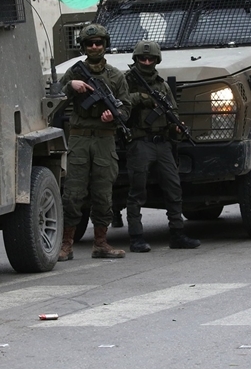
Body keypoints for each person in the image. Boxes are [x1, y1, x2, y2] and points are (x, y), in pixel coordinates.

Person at [57, 23, 130, 261]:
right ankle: (66, 244)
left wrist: (114, 116)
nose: (95, 47)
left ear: (105, 45)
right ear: (84, 47)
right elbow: (55, 99)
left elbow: (126, 108)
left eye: (99, 43)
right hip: (79, 138)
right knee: (73, 193)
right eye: (90, 44)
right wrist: (70, 86)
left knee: (103, 193)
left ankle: (100, 243)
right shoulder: (75, 72)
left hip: (104, 139)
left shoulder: (116, 76)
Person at [124, 40, 201, 252]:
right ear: (136, 59)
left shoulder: (162, 85)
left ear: (156, 60)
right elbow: (120, 102)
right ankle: (136, 237)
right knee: (137, 191)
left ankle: (177, 233)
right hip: (140, 142)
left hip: (162, 143)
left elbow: (172, 111)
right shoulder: (127, 81)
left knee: (174, 188)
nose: (146, 62)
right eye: (142, 58)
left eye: (150, 59)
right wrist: (142, 98)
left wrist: (176, 126)